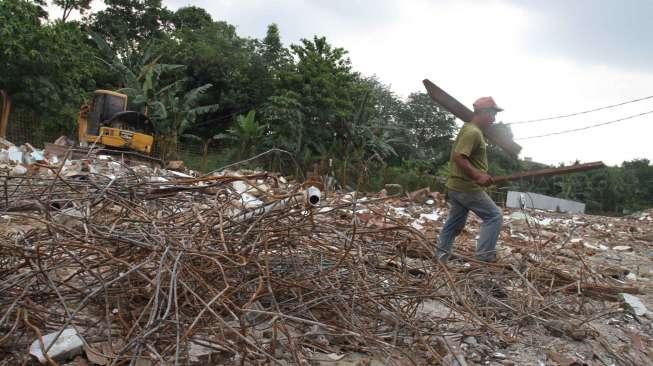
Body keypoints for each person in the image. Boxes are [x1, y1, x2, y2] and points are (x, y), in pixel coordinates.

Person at [437, 97, 503, 263]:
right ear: (484, 113)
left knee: (454, 224)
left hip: (456, 186)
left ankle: (441, 257)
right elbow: (459, 156)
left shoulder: (470, 129)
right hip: (466, 187)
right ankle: (484, 258)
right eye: (492, 114)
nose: (494, 119)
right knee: (494, 216)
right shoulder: (472, 132)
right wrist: (477, 175)